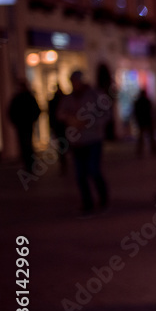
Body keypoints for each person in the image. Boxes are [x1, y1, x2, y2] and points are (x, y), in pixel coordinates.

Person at [58, 71, 109, 215]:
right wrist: (69, 118)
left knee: (93, 170)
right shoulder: (68, 98)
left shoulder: (95, 95)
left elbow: (106, 114)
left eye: (76, 81)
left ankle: (103, 198)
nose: (75, 84)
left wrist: (89, 122)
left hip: (93, 140)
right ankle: (87, 202)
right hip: (77, 141)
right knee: (80, 174)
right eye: (72, 81)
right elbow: (60, 114)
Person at [8, 79, 41, 172]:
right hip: (23, 125)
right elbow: (11, 112)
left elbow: (37, 111)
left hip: (26, 125)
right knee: (25, 145)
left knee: (27, 145)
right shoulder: (20, 98)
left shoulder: (27, 97)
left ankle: (30, 164)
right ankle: (28, 164)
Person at [132, 88, 156, 157]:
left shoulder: (138, 102)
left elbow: (135, 112)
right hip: (147, 121)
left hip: (142, 121)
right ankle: (153, 150)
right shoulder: (147, 101)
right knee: (150, 137)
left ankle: (140, 151)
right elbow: (151, 111)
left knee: (141, 138)